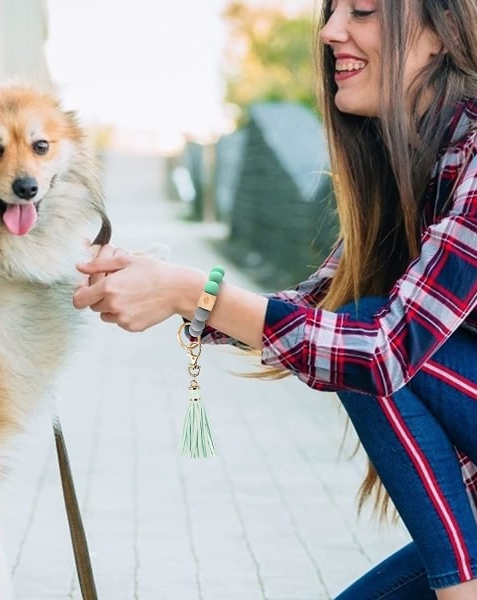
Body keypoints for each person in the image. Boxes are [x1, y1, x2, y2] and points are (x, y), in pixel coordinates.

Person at [72, 0, 477, 598]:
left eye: (362, 11)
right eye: (333, 10)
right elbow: (312, 313)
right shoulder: (412, 162)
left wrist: (190, 291)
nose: (332, 31)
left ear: (440, 33)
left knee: (364, 331)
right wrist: (169, 286)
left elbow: (378, 352)